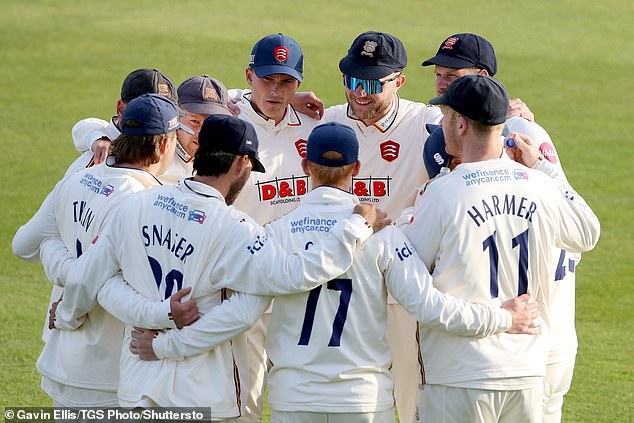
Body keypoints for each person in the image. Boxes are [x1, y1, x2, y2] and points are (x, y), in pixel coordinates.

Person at [133, 121, 543, 423]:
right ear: (357, 167)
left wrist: (168, 345)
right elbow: (430, 308)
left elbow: (240, 315)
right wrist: (504, 317)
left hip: (295, 400)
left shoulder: (273, 235)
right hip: (363, 401)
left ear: (306, 165)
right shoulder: (383, 235)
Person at [44, 114, 384, 416]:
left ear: (197, 154)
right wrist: (356, 227)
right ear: (241, 165)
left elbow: (95, 277)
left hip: (138, 387)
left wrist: (68, 315)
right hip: (204, 395)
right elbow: (293, 276)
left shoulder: (136, 205)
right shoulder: (236, 230)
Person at [402, 74, 600, 422]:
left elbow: (411, 273)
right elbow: (587, 232)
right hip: (526, 372)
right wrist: (543, 167)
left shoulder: (443, 193)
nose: (442, 124)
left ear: (461, 124)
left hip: (459, 373)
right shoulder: (539, 184)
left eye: (446, 117)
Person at [11, 93, 195, 411]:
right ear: (165, 145)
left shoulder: (76, 179)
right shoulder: (144, 203)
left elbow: (24, 245)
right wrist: (68, 313)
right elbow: (89, 278)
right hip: (111, 375)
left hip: (63, 363)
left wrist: (56, 255)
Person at [230, 33, 323, 422]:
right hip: (244, 286)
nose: (275, 89)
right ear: (250, 75)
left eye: (286, 81)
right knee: (245, 404)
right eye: (267, 79)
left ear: (299, 83)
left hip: (299, 291)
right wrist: (98, 135)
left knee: (300, 400)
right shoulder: (227, 123)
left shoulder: (316, 127)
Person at [69, 71, 232, 185]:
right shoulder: (140, 152)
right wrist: (99, 138)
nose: (204, 133)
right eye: (195, 121)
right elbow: (87, 126)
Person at [66, 68, 178, 177]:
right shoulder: (102, 157)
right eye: (145, 109)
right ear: (121, 109)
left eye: (165, 110)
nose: (159, 117)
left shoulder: (99, 135)